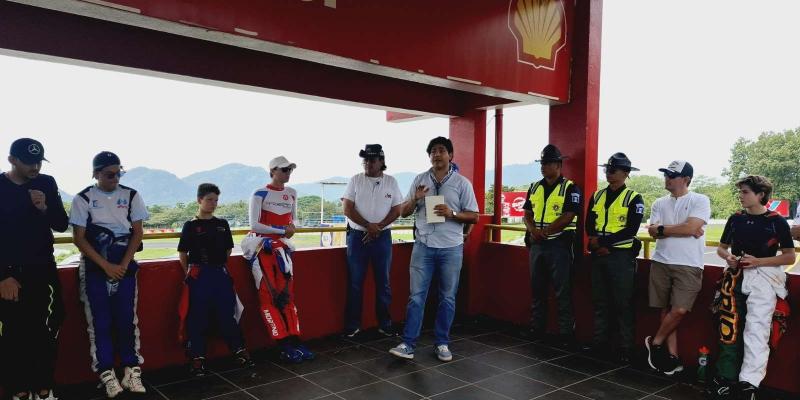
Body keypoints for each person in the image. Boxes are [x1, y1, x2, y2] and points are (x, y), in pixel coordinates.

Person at [389, 136, 479, 362]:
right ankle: (408, 344)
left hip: (452, 248)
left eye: (441, 151)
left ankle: (442, 343)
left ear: (451, 155)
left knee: (447, 297)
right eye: (433, 152)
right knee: (416, 297)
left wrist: (453, 214)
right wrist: (416, 199)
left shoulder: (462, 183)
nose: (437, 155)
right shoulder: (419, 180)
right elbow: (403, 212)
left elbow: (475, 216)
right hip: (424, 247)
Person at [706, 175, 795, 400]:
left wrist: (758, 262)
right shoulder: (735, 219)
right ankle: (725, 378)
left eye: (745, 192)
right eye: (741, 192)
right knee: (729, 327)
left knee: (757, 331)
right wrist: (729, 258)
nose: (741, 196)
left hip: (764, 280)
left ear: (760, 195)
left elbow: (789, 256)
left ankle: (749, 384)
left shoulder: (777, 221)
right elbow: (722, 249)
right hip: (734, 278)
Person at [70, 151, 149, 398]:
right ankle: (106, 374)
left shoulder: (131, 195)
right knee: (100, 323)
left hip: (124, 264)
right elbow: (79, 239)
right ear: (96, 173)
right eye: (109, 174)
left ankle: (131, 370)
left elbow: (137, 233)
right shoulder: (83, 198)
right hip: (95, 267)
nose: (115, 178)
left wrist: (123, 264)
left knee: (127, 319)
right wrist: (105, 266)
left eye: (119, 173)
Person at [0, 138, 68, 400]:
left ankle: (44, 388)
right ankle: (18, 390)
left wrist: (44, 208)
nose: (36, 167)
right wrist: (3, 276)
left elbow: (61, 224)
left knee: (47, 327)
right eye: (30, 162)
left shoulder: (46, 183)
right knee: (14, 333)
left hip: (43, 268)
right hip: (10, 272)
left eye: (39, 161)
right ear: (11, 160)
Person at [177, 183, 254, 377]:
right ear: (199, 200)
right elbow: (182, 253)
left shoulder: (222, 224)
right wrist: (189, 273)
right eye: (209, 199)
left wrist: (218, 266)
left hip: (220, 274)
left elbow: (228, 249)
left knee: (227, 315)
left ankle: (239, 351)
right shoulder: (191, 225)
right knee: (197, 317)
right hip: (199, 275)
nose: (213, 204)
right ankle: (197, 358)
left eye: (216, 200)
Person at [242, 156, 314, 363]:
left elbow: (294, 219)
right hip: (261, 250)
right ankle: (282, 344)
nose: (288, 173)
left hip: (283, 250)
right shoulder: (259, 193)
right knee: (268, 298)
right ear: (272, 171)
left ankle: (296, 341)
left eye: (290, 169)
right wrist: (282, 230)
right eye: (284, 170)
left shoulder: (292, 193)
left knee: (287, 297)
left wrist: (291, 228)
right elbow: (254, 225)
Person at [644, 160, 710, 375]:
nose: (667, 178)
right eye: (666, 175)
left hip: (689, 263)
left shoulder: (700, 200)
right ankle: (672, 358)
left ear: (687, 179)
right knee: (665, 309)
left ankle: (655, 343)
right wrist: (684, 229)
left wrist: (675, 228)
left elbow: (691, 227)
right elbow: (653, 232)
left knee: (679, 309)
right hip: (661, 260)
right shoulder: (659, 203)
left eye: (672, 175)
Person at [585, 153, 644, 363]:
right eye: (607, 169)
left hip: (621, 256)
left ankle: (626, 348)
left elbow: (631, 229)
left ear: (626, 174)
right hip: (599, 255)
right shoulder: (597, 196)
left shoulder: (634, 198)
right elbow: (589, 224)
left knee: (623, 303)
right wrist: (595, 243)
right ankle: (600, 343)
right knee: (600, 301)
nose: (608, 173)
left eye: (613, 169)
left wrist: (603, 244)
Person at [522, 144, 582, 348]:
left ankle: (566, 333)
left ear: (558, 165)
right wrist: (532, 231)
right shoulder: (534, 187)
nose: (543, 167)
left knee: (562, 290)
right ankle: (537, 327)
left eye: (547, 163)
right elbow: (527, 213)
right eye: (542, 163)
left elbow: (569, 216)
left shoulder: (570, 188)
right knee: (537, 289)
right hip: (537, 245)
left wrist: (545, 232)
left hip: (559, 244)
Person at [341, 144, 404, 338]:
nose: (367, 163)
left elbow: (397, 209)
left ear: (381, 162)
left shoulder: (391, 182)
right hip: (357, 237)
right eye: (365, 159)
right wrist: (369, 225)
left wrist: (378, 227)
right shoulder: (355, 180)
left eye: (372, 159)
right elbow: (347, 209)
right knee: (355, 283)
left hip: (382, 238)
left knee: (383, 283)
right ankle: (353, 326)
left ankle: (385, 324)